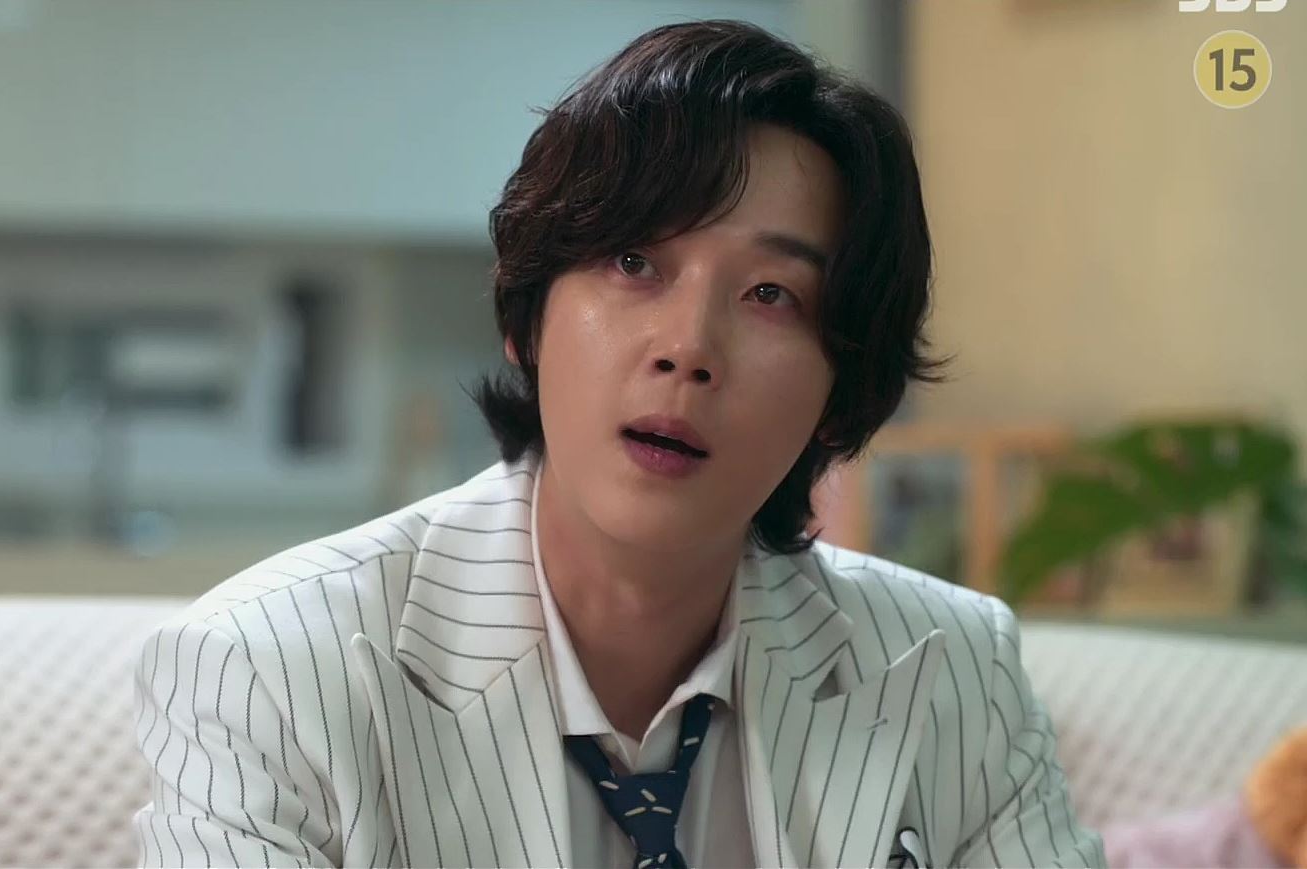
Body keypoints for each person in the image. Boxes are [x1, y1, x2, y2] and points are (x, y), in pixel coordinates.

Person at [132, 19, 1104, 869]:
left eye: (771, 294)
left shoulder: (952, 668)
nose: (688, 347)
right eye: (633, 261)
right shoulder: (265, 668)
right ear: (527, 317)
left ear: (837, 389)